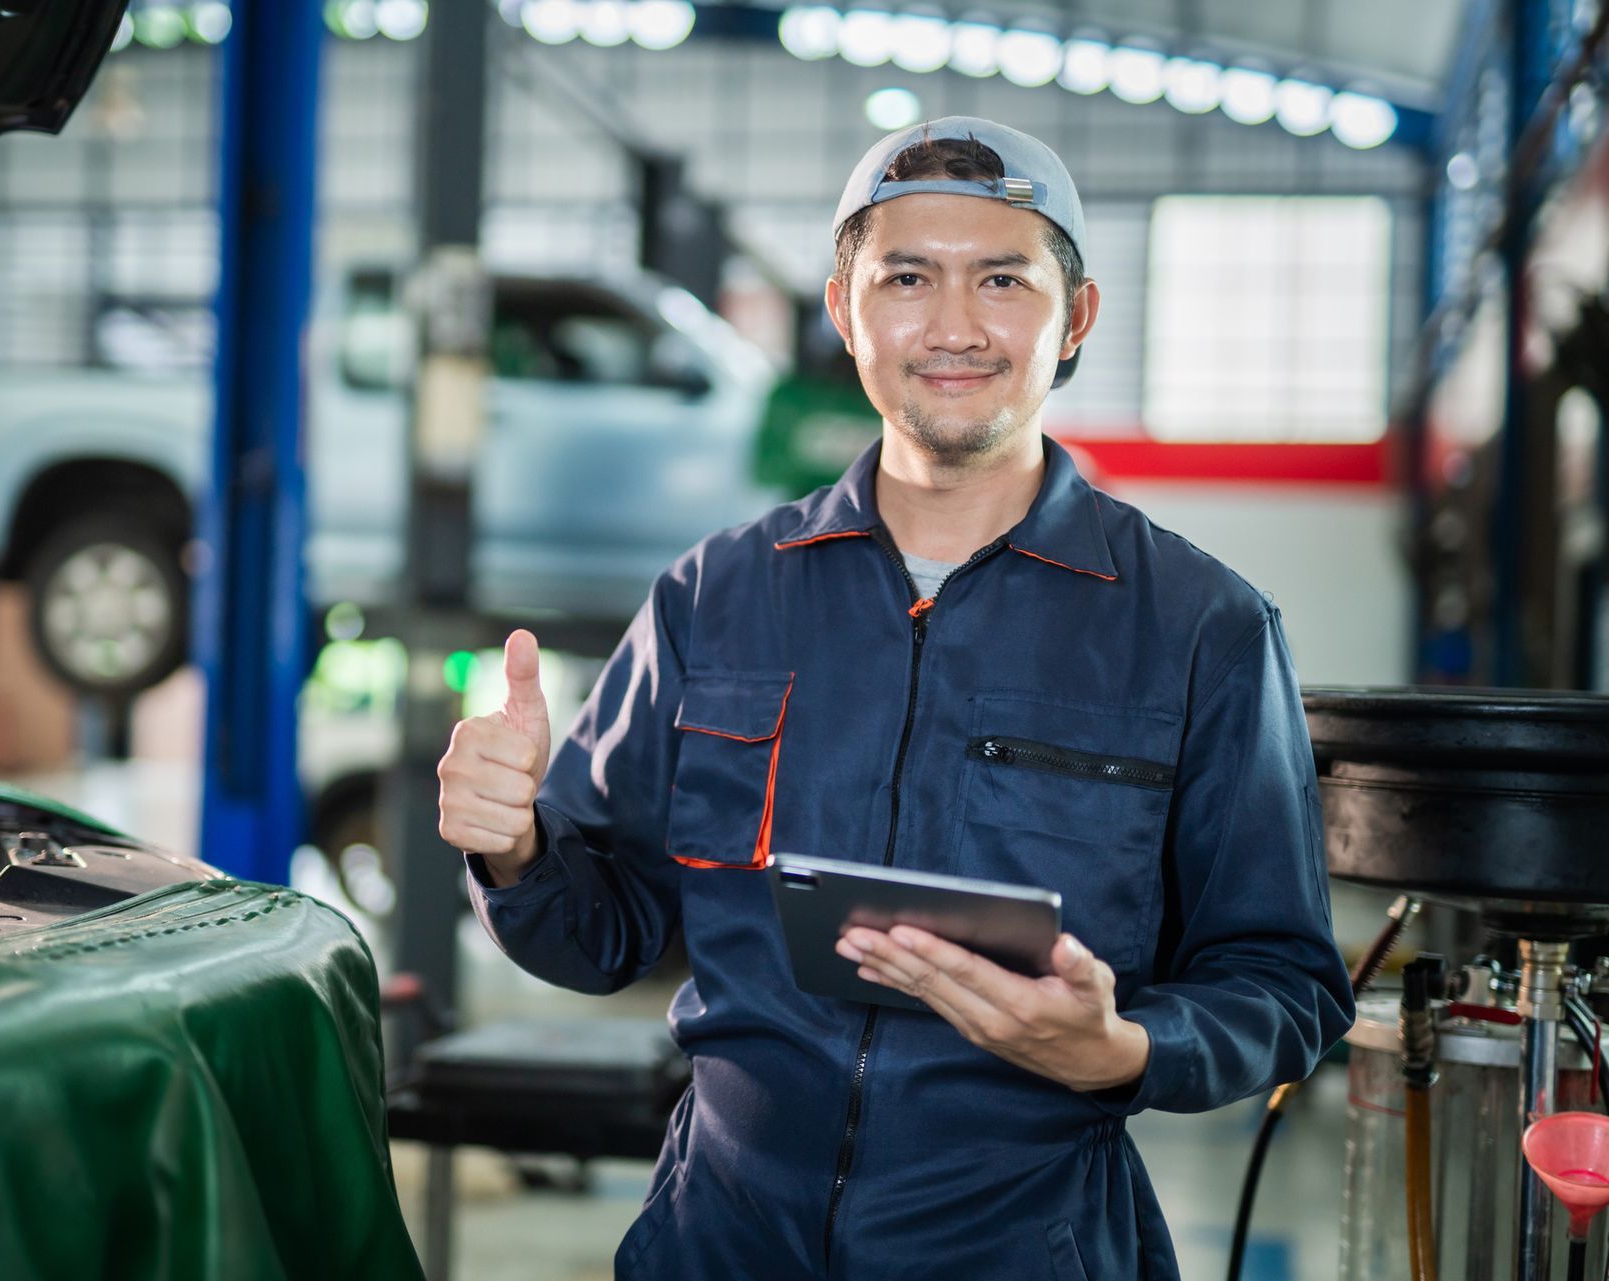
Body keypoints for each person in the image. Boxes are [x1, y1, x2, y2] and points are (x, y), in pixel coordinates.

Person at [436, 116, 1354, 1280]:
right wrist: (516, 849)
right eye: (908, 278)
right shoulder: (713, 597)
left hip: (1028, 1249)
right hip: (715, 1243)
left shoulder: (1199, 629)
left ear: (1075, 318)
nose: (956, 326)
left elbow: (1282, 981)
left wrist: (1124, 1049)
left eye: (1004, 280)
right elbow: (603, 930)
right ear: (844, 309)